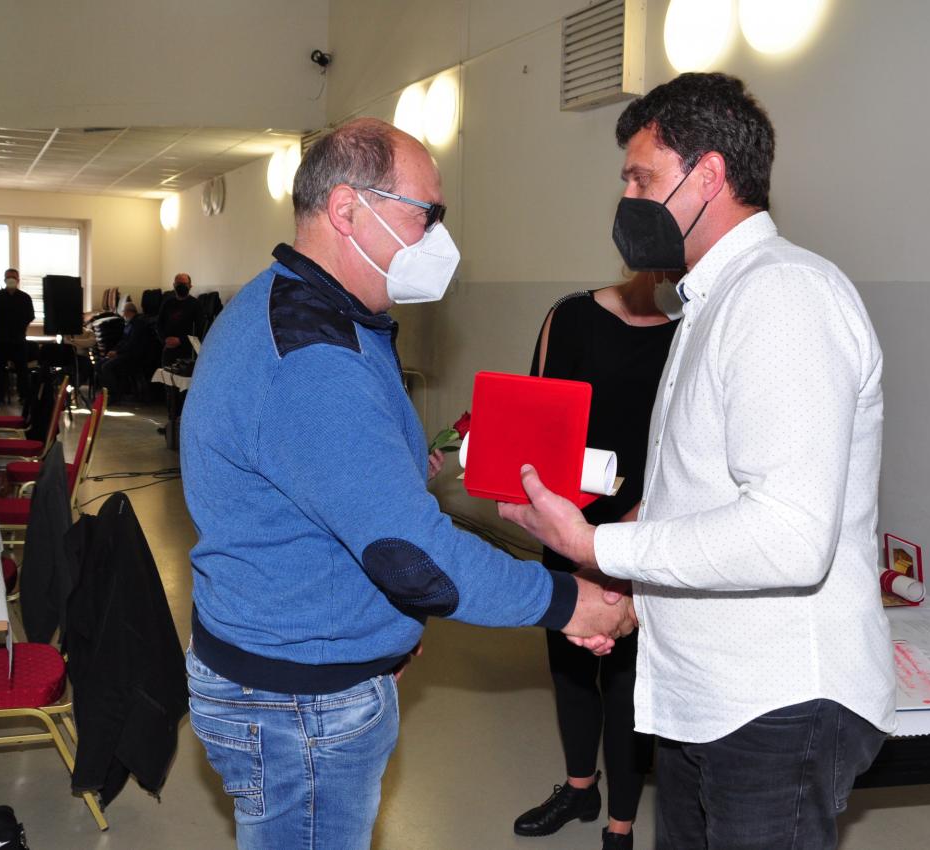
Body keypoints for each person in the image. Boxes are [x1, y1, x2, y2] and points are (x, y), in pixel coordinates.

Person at [180, 117, 635, 850]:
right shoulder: (314, 357)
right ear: (347, 210)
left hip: (295, 672)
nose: (439, 238)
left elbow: (319, 490)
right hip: (297, 703)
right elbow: (411, 556)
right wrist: (569, 602)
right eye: (427, 215)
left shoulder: (313, 307)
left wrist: (382, 621)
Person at [498, 72, 896, 850]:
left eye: (641, 179)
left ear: (707, 175)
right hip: (708, 695)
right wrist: (623, 591)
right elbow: (692, 495)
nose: (627, 200)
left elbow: (788, 535)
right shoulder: (711, 303)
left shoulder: (781, 296)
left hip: (775, 705)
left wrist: (598, 545)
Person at [513, 273, 678, 850]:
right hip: (569, 521)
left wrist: (621, 543)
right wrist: (568, 534)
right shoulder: (570, 317)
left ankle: (621, 827)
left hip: (651, 529)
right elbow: (537, 423)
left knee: (629, 679)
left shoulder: (697, 327)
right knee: (570, 663)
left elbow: (691, 451)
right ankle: (580, 788)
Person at [0, 267, 34, 404]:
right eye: (8, 277)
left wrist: (19, 326)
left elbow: (30, 316)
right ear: (4, 279)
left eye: (13, 277)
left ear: (18, 280)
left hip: (18, 340)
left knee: (22, 370)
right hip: (0, 340)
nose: (11, 280)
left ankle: (24, 397)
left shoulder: (25, 298)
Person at [97, 302, 148, 398]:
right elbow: (122, 341)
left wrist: (117, 352)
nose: (123, 314)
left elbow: (132, 343)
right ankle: (106, 391)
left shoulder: (138, 324)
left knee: (106, 367)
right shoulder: (129, 324)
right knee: (99, 364)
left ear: (129, 312)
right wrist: (113, 350)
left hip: (132, 355)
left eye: (124, 311)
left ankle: (114, 394)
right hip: (123, 353)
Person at [156, 273, 200, 366]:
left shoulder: (196, 305)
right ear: (174, 285)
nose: (181, 286)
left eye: (184, 284)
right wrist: (165, 340)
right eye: (179, 284)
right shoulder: (167, 303)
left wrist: (181, 340)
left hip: (187, 352)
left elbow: (199, 329)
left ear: (190, 286)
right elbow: (159, 324)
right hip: (168, 349)